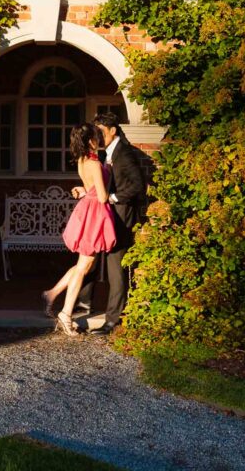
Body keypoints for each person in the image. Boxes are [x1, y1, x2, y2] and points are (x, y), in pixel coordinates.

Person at [41, 123, 117, 336]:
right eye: (96, 136)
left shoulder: (83, 161)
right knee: (84, 266)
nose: (99, 139)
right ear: (91, 140)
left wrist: (86, 190)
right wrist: (109, 174)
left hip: (87, 210)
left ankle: (51, 294)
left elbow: (91, 189)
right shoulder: (94, 163)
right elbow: (102, 196)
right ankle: (65, 314)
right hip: (94, 213)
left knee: (83, 264)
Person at [78, 113, 146, 335]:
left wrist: (113, 198)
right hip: (102, 215)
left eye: (101, 132)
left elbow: (137, 185)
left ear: (113, 130)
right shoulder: (103, 154)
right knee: (89, 258)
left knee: (115, 269)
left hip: (120, 217)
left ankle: (112, 320)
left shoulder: (124, 154)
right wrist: (85, 191)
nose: (97, 136)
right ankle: (83, 305)